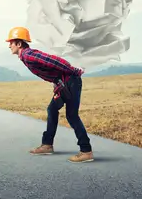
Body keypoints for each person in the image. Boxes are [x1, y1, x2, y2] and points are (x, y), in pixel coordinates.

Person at [6, 26, 94, 163]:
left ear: (19, 43)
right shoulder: (25, 56)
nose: (9, 45)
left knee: (72, 116)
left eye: (11, 42)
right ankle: (47, 145)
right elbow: (50, 69)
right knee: (52, 109)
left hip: (71, 81)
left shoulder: (28, 55)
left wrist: (74, 71)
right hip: (64, 83)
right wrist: (56, 83)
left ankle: (86, 151)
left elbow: (54, 61)